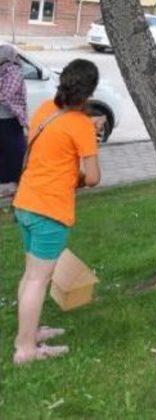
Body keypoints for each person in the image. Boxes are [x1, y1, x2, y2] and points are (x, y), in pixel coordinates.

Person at [12, 59, 102, 365]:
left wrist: (86, 129)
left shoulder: (46, 110)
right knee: (38, 280)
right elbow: (92, 178)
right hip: (50, 210)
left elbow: (47, 148)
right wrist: (90, 137)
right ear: (89, 92)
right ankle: (25, 350)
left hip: (25, 202)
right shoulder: (81, 127)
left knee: (31, 276)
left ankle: (27, 332)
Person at [0, 44, 28, 193]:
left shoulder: (14, 71)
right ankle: (4, 181)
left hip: (11, 118)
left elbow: (7, 95)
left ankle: (14, 181)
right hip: (2, 120)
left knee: (13, 150)